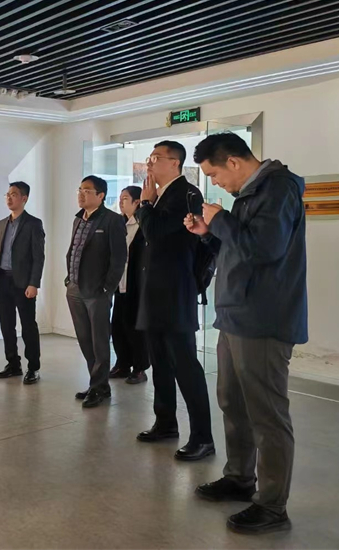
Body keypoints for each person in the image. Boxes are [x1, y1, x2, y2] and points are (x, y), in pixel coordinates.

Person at [186, 132, 307, 534]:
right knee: (233, 403)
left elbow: (265, 250)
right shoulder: (249, 195)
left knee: (266, 414)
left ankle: (272, 506)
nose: (215, 182)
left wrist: (220, 219)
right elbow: (240, 251)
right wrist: (209, 233)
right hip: (235, 316)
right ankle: (239, 477)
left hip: (263, 320)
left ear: (234, 162)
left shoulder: (278, 188)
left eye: (214, 174)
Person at [134, 140, 215, 462]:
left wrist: (144, 204)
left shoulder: (186, 194)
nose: (149, 163)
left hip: (175, 291)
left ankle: (203, 437)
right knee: (160, 363)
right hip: (154, 291)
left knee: (185, 365)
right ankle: (165, 422)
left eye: (156, 158)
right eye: (150, 157)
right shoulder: (163, 195)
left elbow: (155, 232)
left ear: (175, 163)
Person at [65, 176, 127, 407]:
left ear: (101, 196)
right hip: (74, 288)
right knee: (84, 340)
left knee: (99, 341)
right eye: (80, 190)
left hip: (97, 291)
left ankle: (99, 387)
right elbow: (73, 251)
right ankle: (98, 384)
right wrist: (68, 278)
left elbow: (119, 258)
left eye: (87, 191)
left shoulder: (112, 220)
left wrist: (107, 287)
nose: (81, 194)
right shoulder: (78, 219)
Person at [0, 181, 46, 385]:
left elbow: (38, 257)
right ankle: (13, 364)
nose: (9, 198)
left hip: (23, 283)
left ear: (24, 198)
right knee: (6, 325)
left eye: (14, 194)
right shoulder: (1, 224)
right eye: (8, 194)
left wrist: (34, 283)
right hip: (2, 280)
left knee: (28, 326)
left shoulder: (33, 224)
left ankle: (33, 367)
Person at [110, 185, 150, 385]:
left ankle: (140, 368)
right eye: (120, 198)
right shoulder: (119, 224)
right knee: (117, 326)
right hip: (119, 283)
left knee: (135, 327)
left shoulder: (143, 225)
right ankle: (122, 364)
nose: (121, 202)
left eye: (125, 198)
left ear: (137, 202)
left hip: (137, 284)